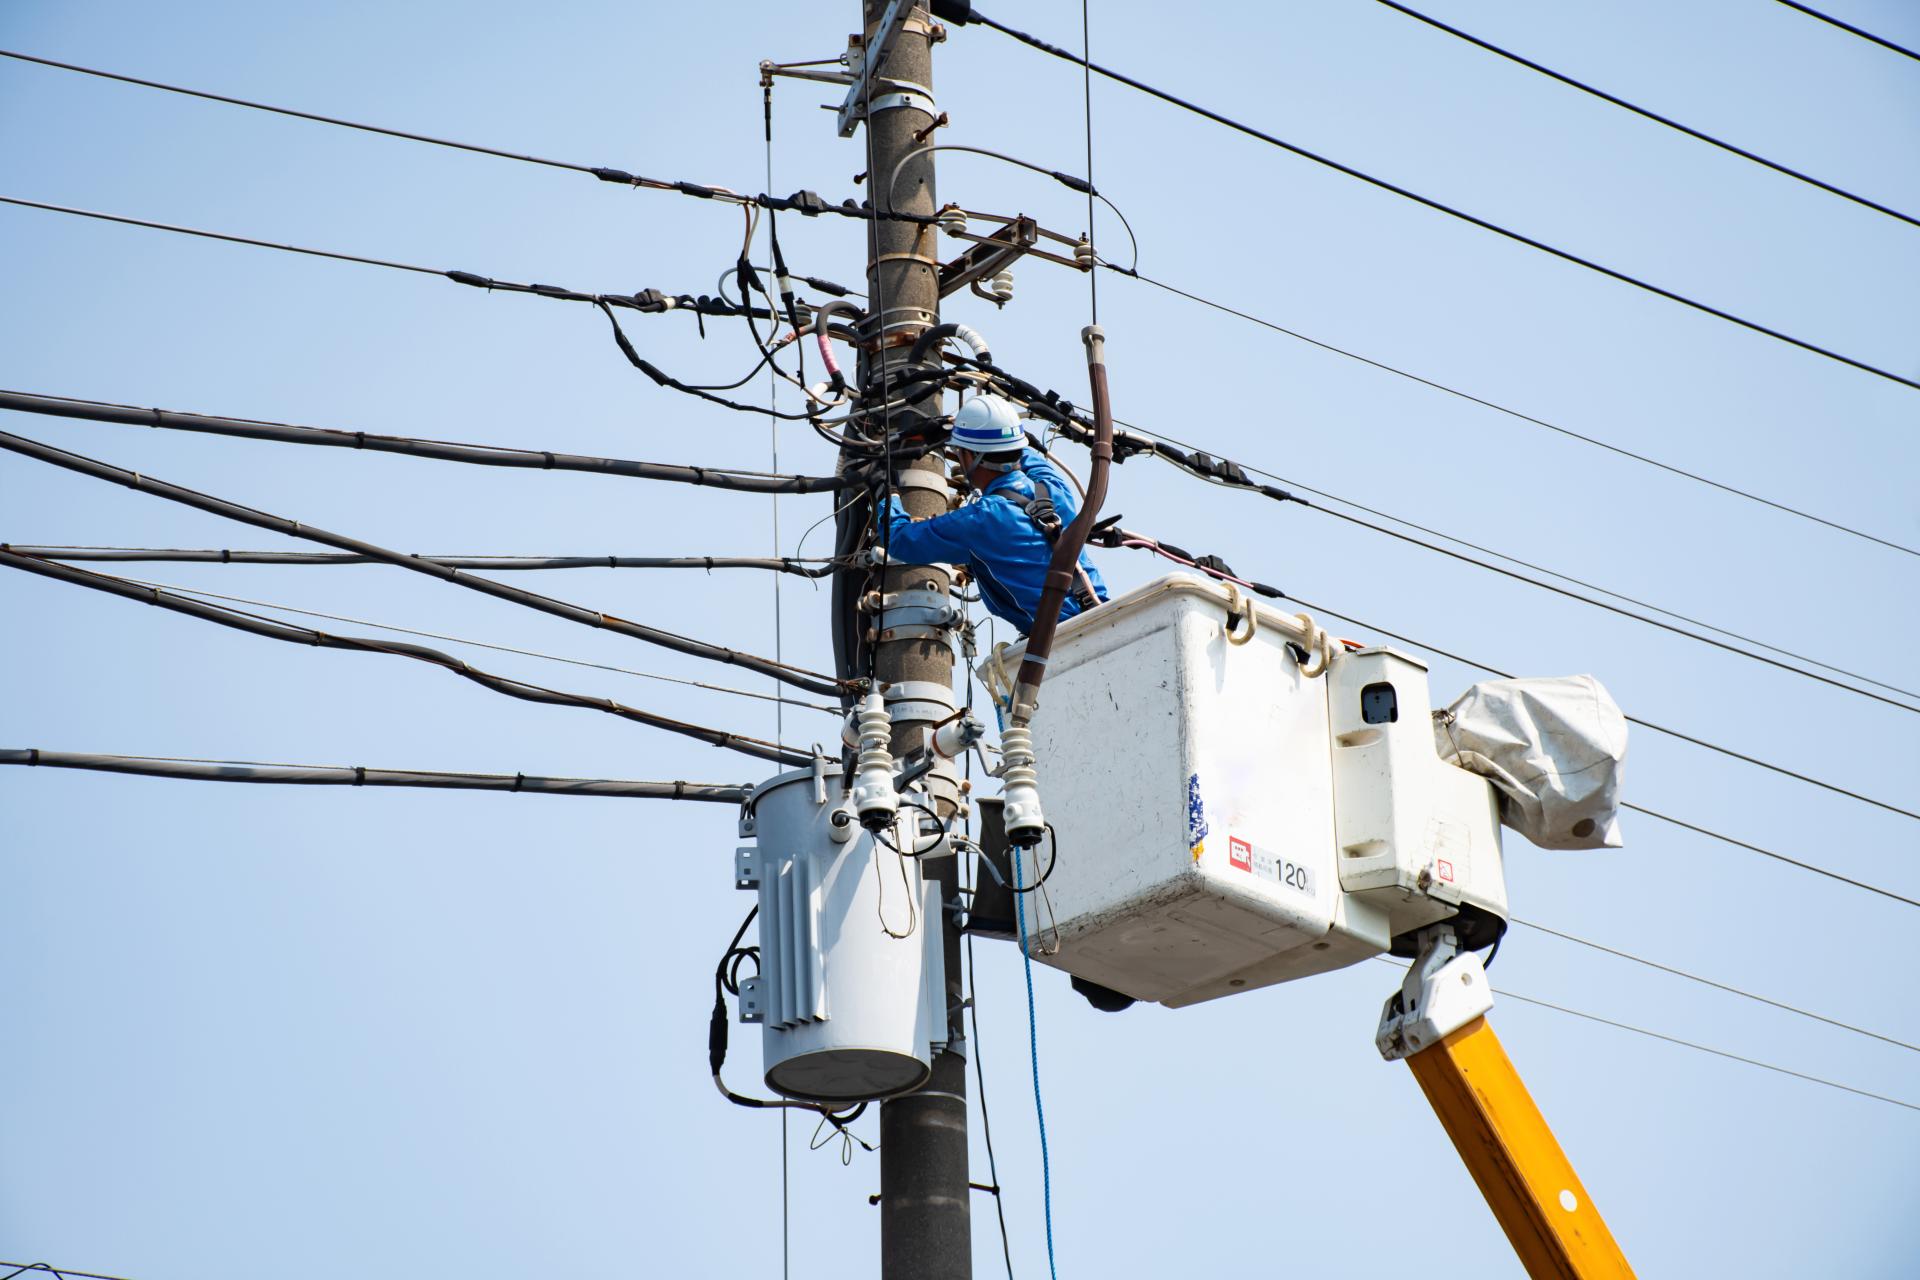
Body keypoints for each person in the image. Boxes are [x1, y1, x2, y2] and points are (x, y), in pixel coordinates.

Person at [879, 393, 1108, 636]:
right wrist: (959, 432)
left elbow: (899, 539)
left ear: (969, 456)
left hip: (1060, 639)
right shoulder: (1052, 488)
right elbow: (1022, 452)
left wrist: (886, 493)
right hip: (1101, 615)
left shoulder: (982, 519)